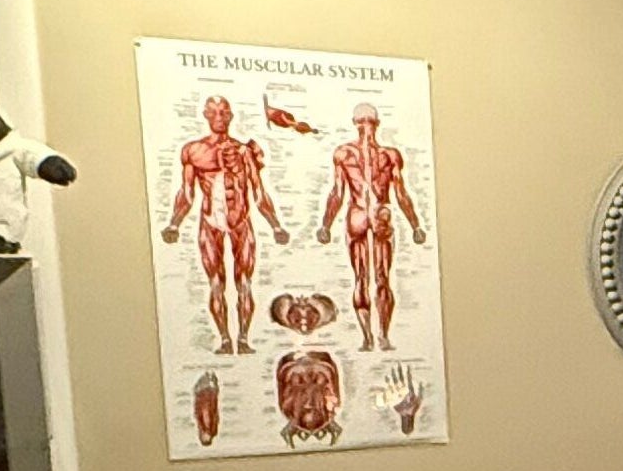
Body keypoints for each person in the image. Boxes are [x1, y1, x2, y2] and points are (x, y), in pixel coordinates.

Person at [275, 98, 428, 351]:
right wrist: (415, 225)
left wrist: (326, 224)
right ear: (376, 124)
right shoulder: (389, 155)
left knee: (361, 278)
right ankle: (382, 336)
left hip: (358, 213)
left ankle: (368, 337)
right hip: (381, 212)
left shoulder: (345, 153)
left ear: (355, 124)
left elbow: (338, 193)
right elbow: (401, 194)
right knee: (382, 278)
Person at [161, 94, 286, 353]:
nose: (219, 117)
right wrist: (174, 223)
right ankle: (225, 339)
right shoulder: (193, 151)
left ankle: (243, 338)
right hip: (210, 221)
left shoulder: (243, 151)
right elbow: (186, 192)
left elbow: (258, 191)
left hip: (240, 220)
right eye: (214, 112)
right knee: (216, 282)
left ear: (231, 116)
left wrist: (275, 225)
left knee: (244, 282)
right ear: (206, 115)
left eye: (224, 112)